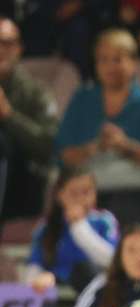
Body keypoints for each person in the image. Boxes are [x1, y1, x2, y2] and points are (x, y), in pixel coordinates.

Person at [56, 28, 140, 230]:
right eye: (103, 60)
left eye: (118, 59)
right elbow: (64, 155)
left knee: (125, 211)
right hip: (90, 190)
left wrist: (125, 146)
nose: (110, 67)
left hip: (139, 191)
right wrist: (95, 147)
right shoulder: (81, 100)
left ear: (133, 63)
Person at [0, 17, 58, 225]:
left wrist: (9, 115)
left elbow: (51, 145)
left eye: (7, 43)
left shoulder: (36, 92)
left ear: (19, 48)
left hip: (24, 183)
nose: (1, 50)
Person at [26, 166, 118, 293]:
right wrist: (37, 281)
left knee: (84, 269)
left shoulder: (105, 220)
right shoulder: (46, 227)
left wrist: (79, 226)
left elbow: (111, 260)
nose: (80, 199)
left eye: (86, 192)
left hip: (97, 290)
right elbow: (35, 264)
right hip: (57, 294)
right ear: (59, 195)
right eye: (73, 193)